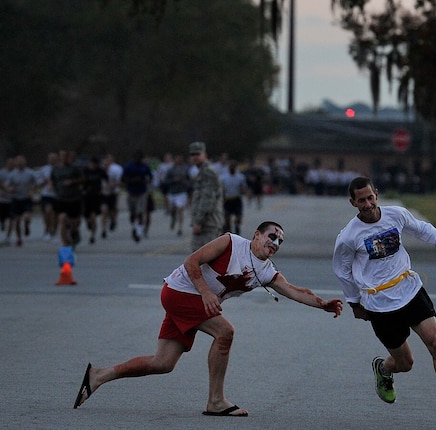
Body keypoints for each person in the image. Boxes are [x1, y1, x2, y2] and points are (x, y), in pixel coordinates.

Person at [73, 221, 342, 414]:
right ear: (256, 234)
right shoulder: (231, 242)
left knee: (163, 363)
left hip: (190, 301)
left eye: (280, 241)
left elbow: (295, 291)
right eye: (272, 236)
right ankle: (216, 401)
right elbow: (192, 261)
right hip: (179, 292)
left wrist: (322, 304)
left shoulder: (266, 271)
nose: (276, 243)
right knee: (225, 333)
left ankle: (99, 375)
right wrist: (204, 293)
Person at [332, 176, 436, 427]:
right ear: (352, 202)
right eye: (361, 201)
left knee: (435, 343)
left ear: (376, 194)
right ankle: (385, 370)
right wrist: (355, 303)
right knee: (406, 363)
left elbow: (421, 229)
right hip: (379, 303)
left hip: (409, 289)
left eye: (370, 198)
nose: (367, 204)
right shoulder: (348, 237)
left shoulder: (396, 215)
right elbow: (342, 270)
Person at [188, 142, 223, 251]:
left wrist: (198, 221)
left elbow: (207, 199)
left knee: (199, 259)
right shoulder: (203, 171)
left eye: (198, 154)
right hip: (207, 223)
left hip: (208, 223)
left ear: (204, 155)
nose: (195, 157)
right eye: (192, 154)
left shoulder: (208, 172)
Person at [5, 155, 37, 247]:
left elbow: (35, 184)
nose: (20, 164)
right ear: (16, 163)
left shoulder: (30, 173)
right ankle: (19, 238)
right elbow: (7, 185)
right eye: (18, 162)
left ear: (25, 162)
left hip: (26, 198)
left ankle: (27, 225)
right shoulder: (12, 174)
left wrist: (32, 191)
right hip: (16, 199)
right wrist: (10, 189)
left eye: (21, 162)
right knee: (17, 221)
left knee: (27, 217)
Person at [122, 150, 153, 243]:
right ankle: (133, 227)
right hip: (131, 192)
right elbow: (123, 178)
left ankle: (138, 232)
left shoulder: (145, 167)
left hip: (141, 192)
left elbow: (150, 177)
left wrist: (145, 182)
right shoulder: (129, 166)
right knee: (132, 213)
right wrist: (132, 180)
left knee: (140, 212)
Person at [162, 154, 191, 236]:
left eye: (180, 159)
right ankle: (173, 218)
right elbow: (165, 181)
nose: (179, 161)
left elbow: (189, 180)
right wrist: (173, 180)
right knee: (173, 210)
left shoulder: (185, 169)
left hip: (182, 193)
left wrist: (186, 184)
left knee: (180, 210)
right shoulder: (171, 170)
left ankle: (180, 228)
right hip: (173, 193)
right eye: (177, 159)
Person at [82, 156, 108, 244]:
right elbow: (81, 182)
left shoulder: (100, 171)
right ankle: (89, 224)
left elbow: (106, 181)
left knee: (93, 217)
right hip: (87, 196)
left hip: (97, 196)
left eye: (94, 164)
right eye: (91, 164)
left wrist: (103, 189)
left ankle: (92, 236)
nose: (92, 166)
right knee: (87, 217)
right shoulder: (85, 171)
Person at [221, 160, 248, 235]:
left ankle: (237, 227)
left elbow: (244, 188)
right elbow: (221, 188)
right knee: (227, 218)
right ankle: (228, 231)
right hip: (227, 199)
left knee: (238, 217)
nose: (232, 168)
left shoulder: (240, 177)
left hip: (236, 199)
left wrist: (243, 190)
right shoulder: (224, 177)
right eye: (230, 167)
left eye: (233, 167)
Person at [100, 154, 123, 239]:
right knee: (104, 210)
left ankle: (113, 220)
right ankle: (103, 229)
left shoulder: (116, 169)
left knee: (113, 209)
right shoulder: (101, 171)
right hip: (104, 194)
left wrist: (112, 185)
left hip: (113, 192)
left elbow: (120, 181)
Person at [0, 157, 14, 234]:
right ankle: (2, 223)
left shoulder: (15, 173)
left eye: (12, 164)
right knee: (2, 215)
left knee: (11, 216)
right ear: (7, 164)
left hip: (12, 199)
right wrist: (4, 186)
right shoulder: (1, 172)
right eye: (10, 163)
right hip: (2, 198)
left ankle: (9, 232)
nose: (11, 165)